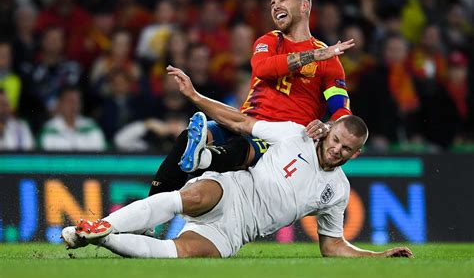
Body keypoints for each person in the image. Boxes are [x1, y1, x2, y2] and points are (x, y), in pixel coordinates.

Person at [60, 67, 413, 259]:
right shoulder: (297, 134)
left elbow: (331, 245)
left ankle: (97, 236)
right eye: (336, 140)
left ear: (356, 155)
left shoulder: (338, 190)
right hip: (236, 190)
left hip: (238, 231)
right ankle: (106, 222)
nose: (337, 150)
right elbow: (242, 122)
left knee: (177, 253)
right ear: (331, 129)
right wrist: (196, 96)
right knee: (192, 197)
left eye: (347, 149)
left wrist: (375, 257)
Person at [148, 0, 354, 196]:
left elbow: (341, 109)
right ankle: (150, 211)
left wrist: (328, 127)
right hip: (246, 123)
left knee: (239, 151)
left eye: (282, 0)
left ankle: (202, 159)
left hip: (284, 140)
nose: (275, 7)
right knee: (187, 138)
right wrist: (313, 55)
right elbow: (263, 68)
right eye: (272, 3)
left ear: (304, 6)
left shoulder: (328, 59)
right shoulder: (269, 41)